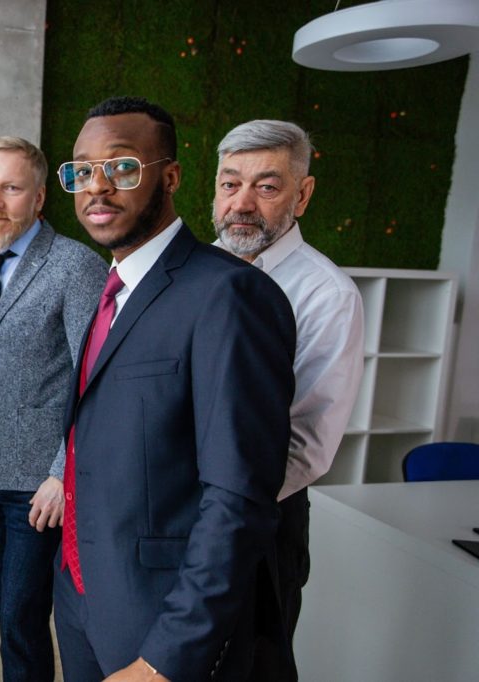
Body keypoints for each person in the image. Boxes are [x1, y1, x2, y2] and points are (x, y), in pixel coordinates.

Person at [53, 96, 297, 681]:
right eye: (82, 171)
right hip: (82, 593)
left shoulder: (229, 296)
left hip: (157, 621)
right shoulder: (112, 288)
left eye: (122, 166)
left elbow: (238, 497)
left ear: (172, 176)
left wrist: (169, 656)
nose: (97, 187)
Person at [0, 136, 106, 681]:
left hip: (37, 478)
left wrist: (63, 474)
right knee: (5, 597)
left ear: (38, 198)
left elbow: (94, 376)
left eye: (11, 188)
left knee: (21, 612)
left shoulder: (75, 266)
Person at [212, 119, 365, 641]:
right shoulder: (192, 274)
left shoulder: (328, 295)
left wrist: (217, 513)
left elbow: (307, 445)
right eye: (231, 184)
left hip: (258, 526)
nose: (243, 203)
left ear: (302, 195)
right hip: (171, 519)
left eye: (267, 186)